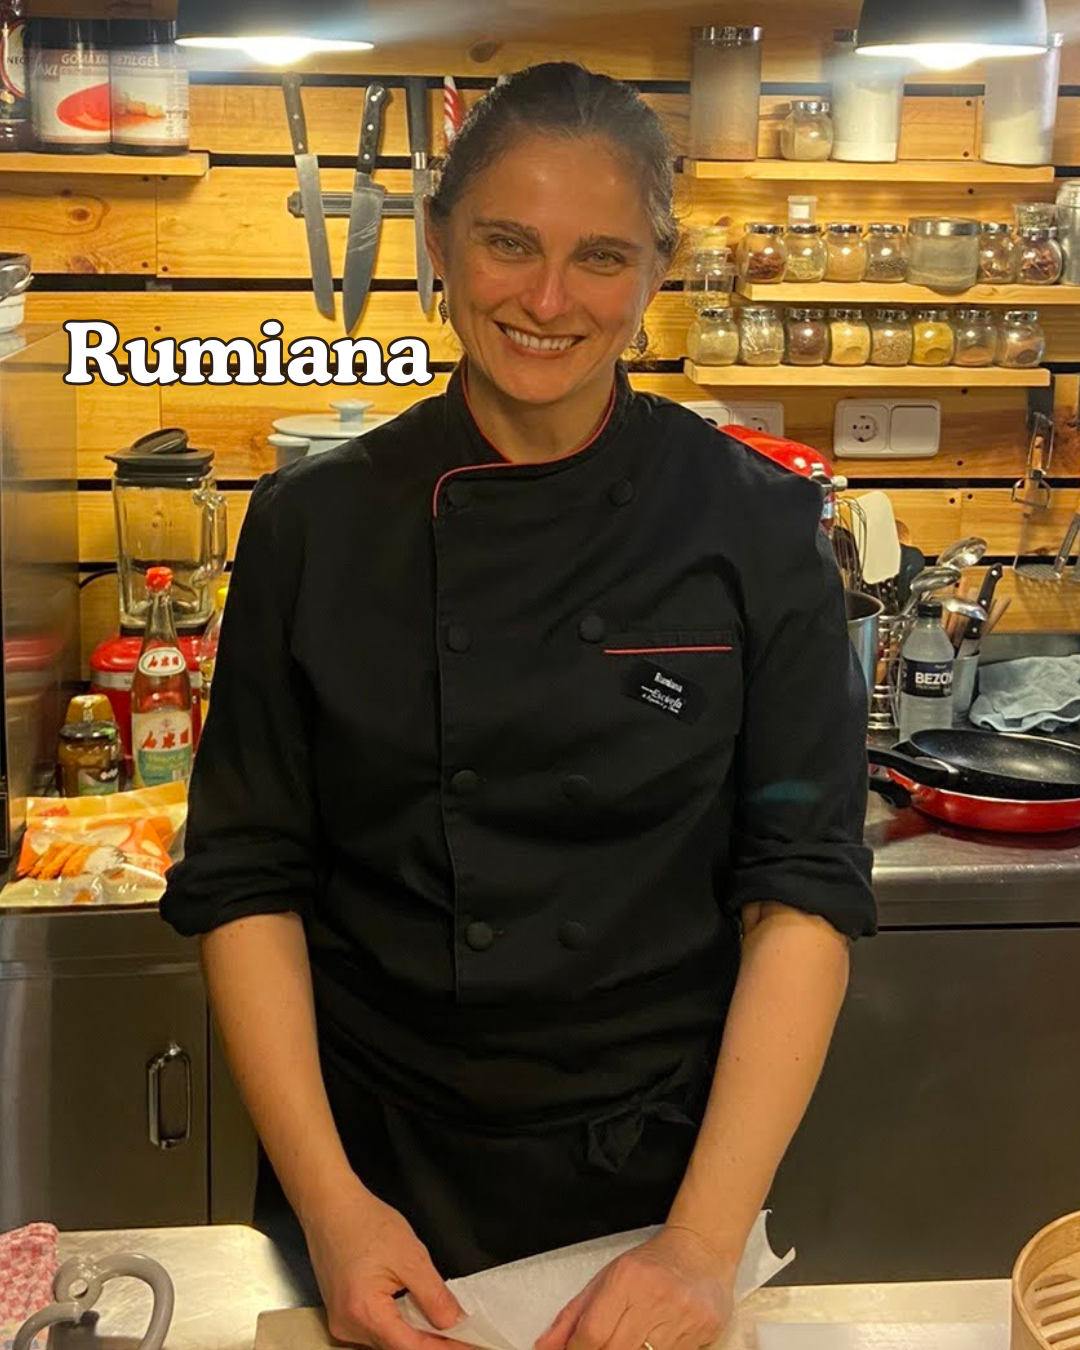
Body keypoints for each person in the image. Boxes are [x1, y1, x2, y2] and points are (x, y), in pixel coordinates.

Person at [161, 61, 875, 1350]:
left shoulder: (759, 527)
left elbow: (804, 892)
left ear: (655, 273)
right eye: (507, 243)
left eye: (601, 256)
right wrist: (330, 1205)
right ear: (440, 245)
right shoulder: (313, 526)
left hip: (664, 1181)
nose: (549, 301)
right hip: (368, 1170)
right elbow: (245, 878)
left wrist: (701, 1247)